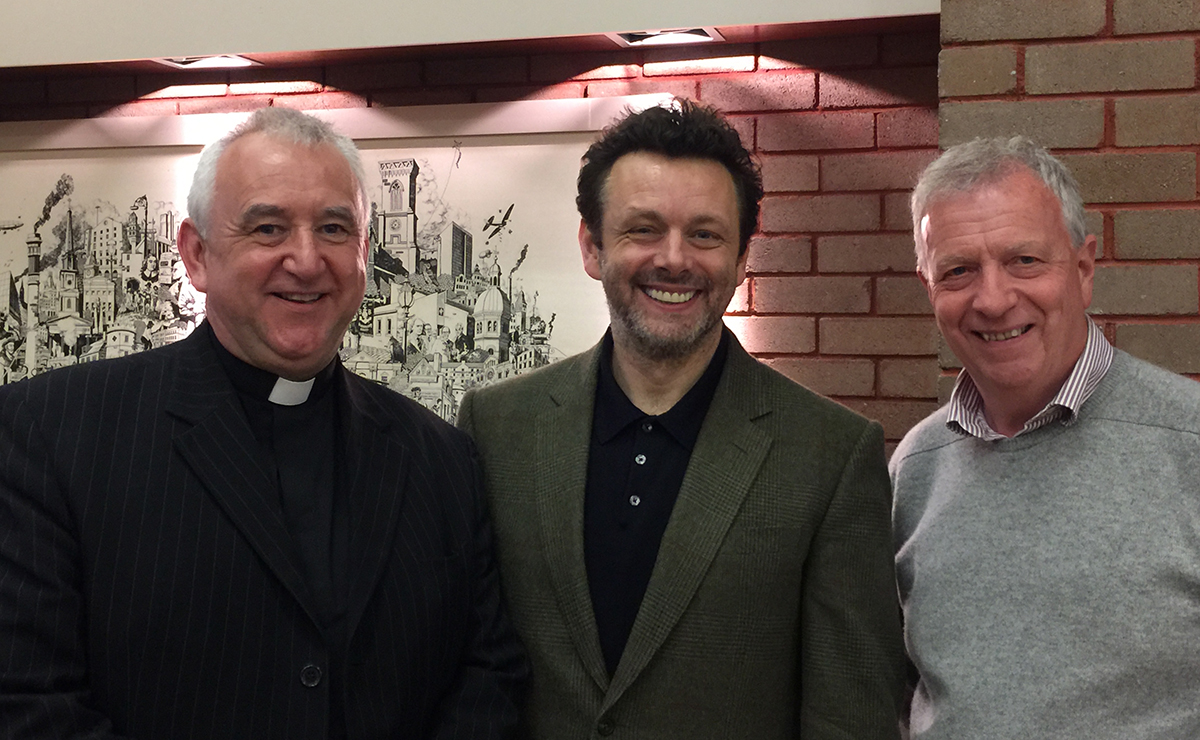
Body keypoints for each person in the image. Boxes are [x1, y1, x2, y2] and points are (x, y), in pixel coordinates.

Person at [0, 107, 526, 739]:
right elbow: (31, 703)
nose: (306, 261)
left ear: (363, 252)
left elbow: (488, 677)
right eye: (268, 228)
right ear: (196, 255)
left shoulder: (441, 457)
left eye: (334, 228)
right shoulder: (54, 432)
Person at [458, 100, 906, 739]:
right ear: (592, 245)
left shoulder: (831, 455)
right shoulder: (496, 426)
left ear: (742, 257)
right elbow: (470, 668)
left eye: (704, 233)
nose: (674, 259)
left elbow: (851, 719)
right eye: (642, 229)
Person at [892, 135, 1200, 738]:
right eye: (958, 271)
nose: (993, 298)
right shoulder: (915, 469)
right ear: (929, 288)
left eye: (1024, 261)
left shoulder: (1188, 443)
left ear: (1082, 270)